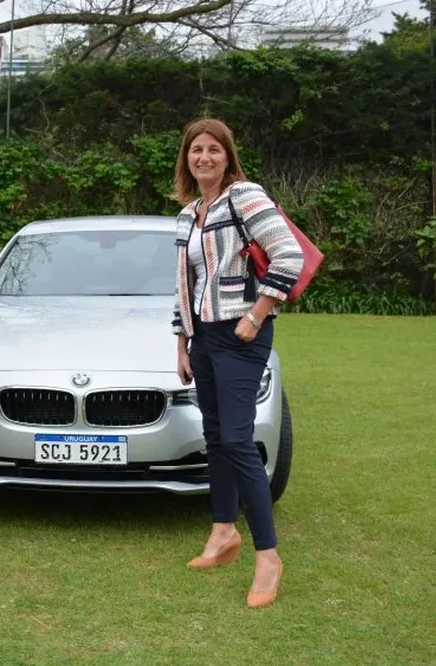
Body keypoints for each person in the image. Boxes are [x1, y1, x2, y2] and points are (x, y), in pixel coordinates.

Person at [170, 118, 303, 608]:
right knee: (215, 438)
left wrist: (257, 313)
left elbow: (289, 255)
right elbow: (184, 285)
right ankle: (223, 533)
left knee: (237, 441)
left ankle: (268, 557)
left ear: (228, 156)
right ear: (186, 158)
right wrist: (182, 341)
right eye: (195, 150)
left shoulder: (245, 196)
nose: (203, 157)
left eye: (213, 150)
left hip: (242, 335)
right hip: (203, 338)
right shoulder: (188, 214)